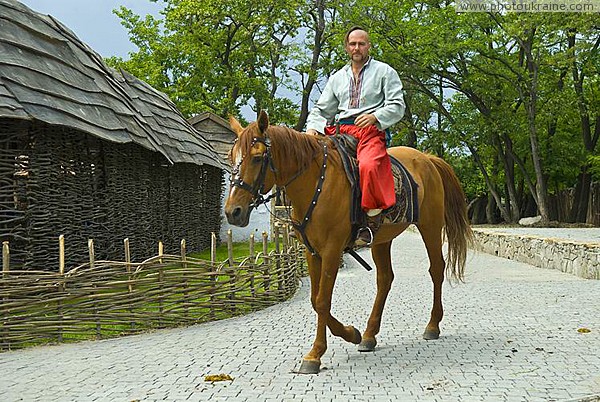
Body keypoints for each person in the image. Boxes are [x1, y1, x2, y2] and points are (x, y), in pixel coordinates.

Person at [305, 26, 405, 246]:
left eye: (361, 43)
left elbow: (398, 106)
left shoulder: (384, 72)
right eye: (353, 44)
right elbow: (322, 110)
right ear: (346, 47)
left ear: (369, 46)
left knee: (368, 166)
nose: (357, 48)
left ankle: (371, 222)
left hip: (371, 132)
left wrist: (375, 117)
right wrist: (312, 128)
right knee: (315, 164)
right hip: (340, 132)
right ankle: (314, 221)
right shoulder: (337, 78)